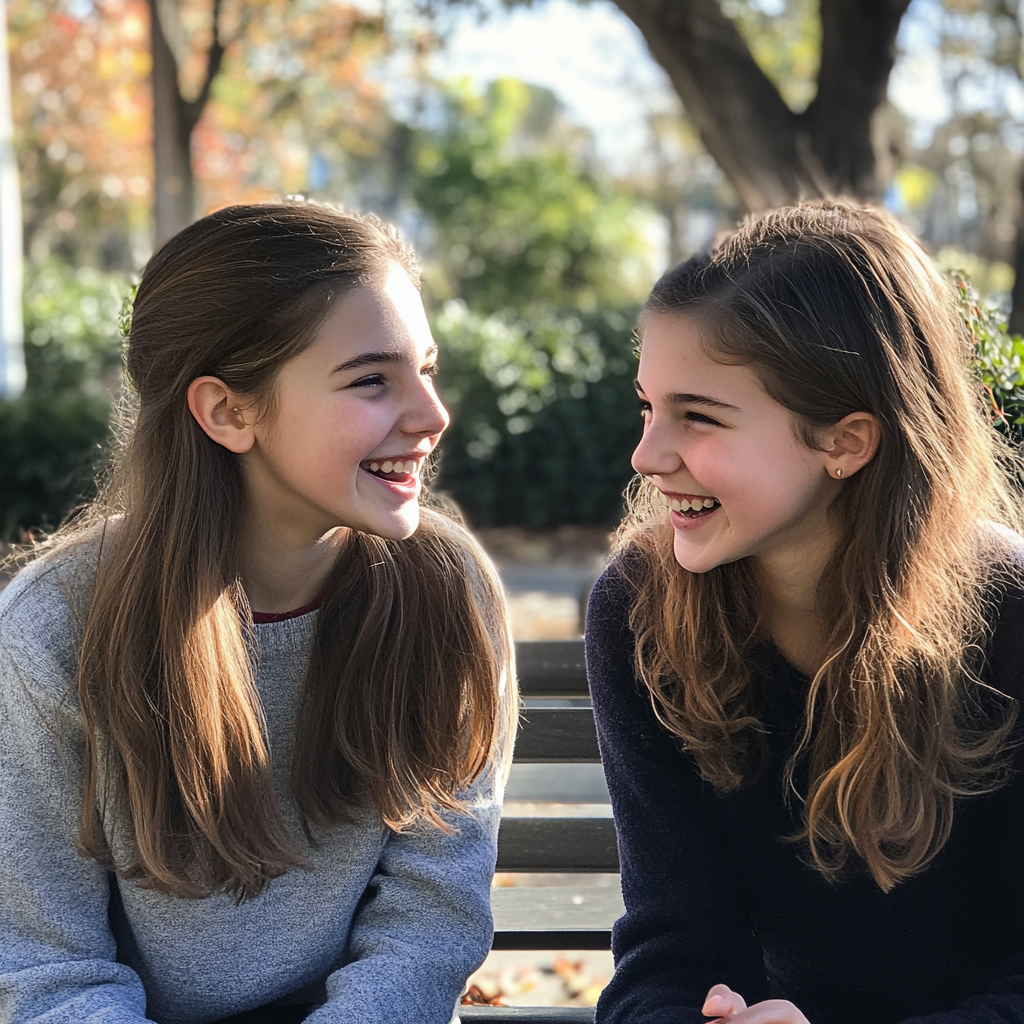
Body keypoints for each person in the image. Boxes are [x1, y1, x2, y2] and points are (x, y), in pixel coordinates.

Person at [0, 201, 517, 1024]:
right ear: (227, 411)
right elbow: (45, 966)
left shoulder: (448, 593)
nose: (431, 415)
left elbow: (428, 924)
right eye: (373, 380)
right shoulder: (51, 631)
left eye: (427, 369)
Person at [586, 199, 1024, 1024]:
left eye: (699, 416)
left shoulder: (1010, 614)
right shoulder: (641, 611)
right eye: (647, 407)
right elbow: (674, 943)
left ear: (846, 442)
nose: (647, 456)